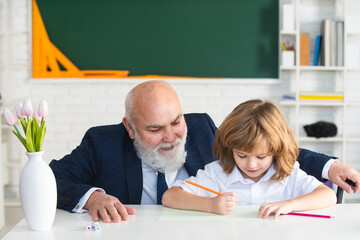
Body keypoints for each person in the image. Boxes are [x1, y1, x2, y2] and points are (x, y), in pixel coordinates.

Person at [49, 80, 360, 223]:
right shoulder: (102, 143)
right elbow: (52, 178)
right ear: (130, 128)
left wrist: (328, 167)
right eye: (155, 129)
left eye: (176, 121)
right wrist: (92, 197)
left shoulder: (202, 128)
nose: (171, 136)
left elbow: (267, 147)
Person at [162, 99, 337, 219]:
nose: (251, 165)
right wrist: (211, 205)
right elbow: (170, 197)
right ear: (230, 149)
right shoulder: (218, 172)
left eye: (261, 157)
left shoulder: (287, 174)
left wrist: (289, 205)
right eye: (242, 155)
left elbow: (329, 195)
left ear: (276, 150)